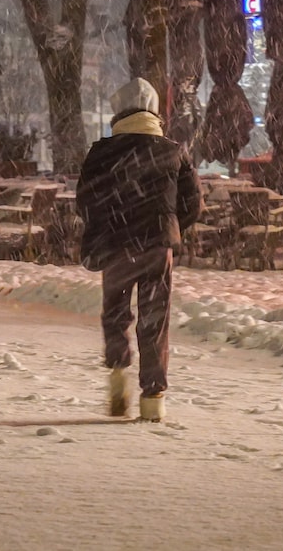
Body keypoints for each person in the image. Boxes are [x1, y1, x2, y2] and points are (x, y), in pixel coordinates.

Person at [76, 78, 201, 422]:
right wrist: (169, 227)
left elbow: (85, 201)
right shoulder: (173, 151)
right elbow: (193, 204)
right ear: (154, 111)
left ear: (119, 112)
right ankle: (153, 397)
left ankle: (118, 377)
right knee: (154, 319)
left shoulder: (101, 152)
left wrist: (107, 224)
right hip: (157, 246)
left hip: (116, 245)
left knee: (115, 313)